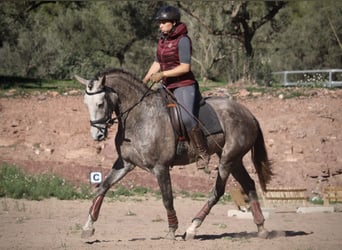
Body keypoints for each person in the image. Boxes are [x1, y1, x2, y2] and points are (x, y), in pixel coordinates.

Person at [143, 5, 209, 170]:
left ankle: (202, 153)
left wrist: (163, 74)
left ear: (173, 22)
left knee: (186, 118)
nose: (160, 25)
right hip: (167, 85)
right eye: (159, 22)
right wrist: (144, 80)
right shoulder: (162, 40)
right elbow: (157, 62)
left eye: (163, 22)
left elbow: (185, 67)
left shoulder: (183, 40)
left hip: (183, 85)